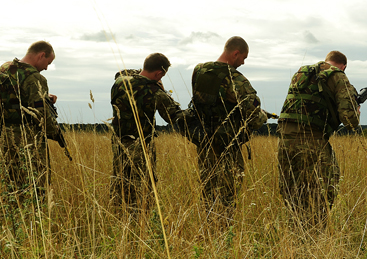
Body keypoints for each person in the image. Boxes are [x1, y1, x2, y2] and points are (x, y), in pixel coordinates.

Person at [277, 51, 360, 231]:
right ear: (343, 66)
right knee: (324, 189)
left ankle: (293, 235)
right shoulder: (338, 76)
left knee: (293, 193)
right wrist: (356, 109)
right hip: (311, 139)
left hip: (284, 139)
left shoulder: (302, 73)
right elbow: (350, 120)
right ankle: (314, 236)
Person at [189, 36, 267, 223]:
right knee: (228, 192)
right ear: (235, 53)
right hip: (226, 145)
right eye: (243, 58)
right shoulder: (236, 79)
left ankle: (208, 227)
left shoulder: (199, 70)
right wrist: (263, 117)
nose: (243, 63)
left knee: (208, 188)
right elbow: (254, 115)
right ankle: (224, 230)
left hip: (204, 142)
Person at [110, 53, 183, 209]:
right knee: (142, 187)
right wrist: (163, 91)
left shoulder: (119, 82)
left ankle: (118, 214)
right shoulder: (154, 91)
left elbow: (123, 72)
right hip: (141, 146)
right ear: (158, 74)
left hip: (119, 143)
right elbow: (174, 116)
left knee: (120, 182)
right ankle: (139, 220)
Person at [0, 41, 62, 207]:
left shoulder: (4, 69)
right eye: (48, 63)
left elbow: (16, 96)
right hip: (28, 139)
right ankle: (33, 221)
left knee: (12, 182)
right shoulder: (35, 78)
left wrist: (44, 97)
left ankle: (12, 218)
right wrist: (56, 133)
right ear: (41, 55)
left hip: (6, 135)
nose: (46, 68)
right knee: (35, 184)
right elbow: (42, 116)